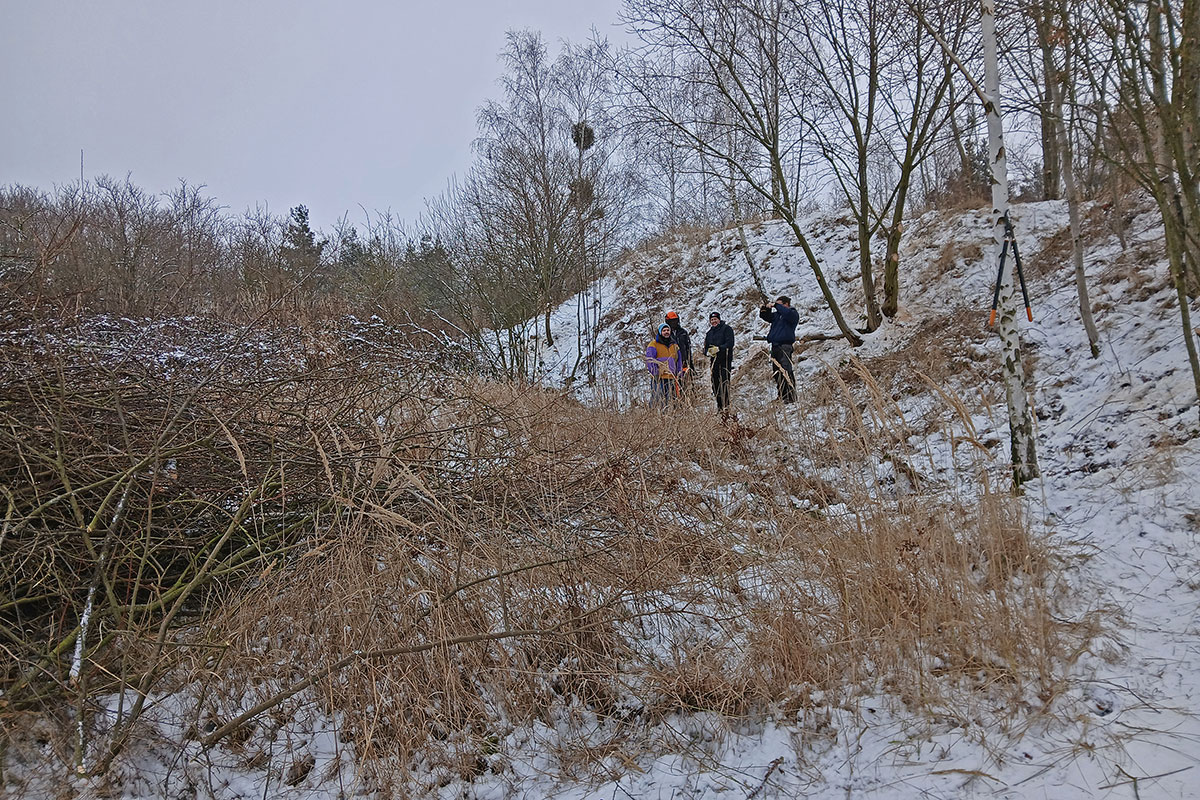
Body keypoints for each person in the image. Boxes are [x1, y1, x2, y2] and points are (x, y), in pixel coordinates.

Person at [759, 295, 799, 403]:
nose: (777, 306)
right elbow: (765, 317)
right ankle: (782, 395)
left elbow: (787, 314)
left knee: (786, 370)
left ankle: (790, 396)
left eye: (780, 304)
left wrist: (776, 305)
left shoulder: (792, 313)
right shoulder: (777, 315)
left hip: (785, 346)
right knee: (777, 373)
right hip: (775, 346)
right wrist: (765, 308)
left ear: (786, 304)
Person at [703, 311, 735, 411]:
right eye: (712, 320)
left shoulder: (727, 329)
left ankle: (726, 405)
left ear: (719, 319)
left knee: (724, 382)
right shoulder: (709, 333)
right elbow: (705, 347)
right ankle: (720, 406)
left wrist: (719, 348)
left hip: (725, 359)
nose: (714, 321)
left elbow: (730, 343)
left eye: (715, 319)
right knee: (715, 383)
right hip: (714, 361)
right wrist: (707, 352)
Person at [645, 322, 681, 409]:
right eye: (664, 330)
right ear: (660, 332)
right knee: (657, 399)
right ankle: (652, 416)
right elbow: (649, 360)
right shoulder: (653, 344)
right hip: (659, 378)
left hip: (671, 377)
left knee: (669, 401)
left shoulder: (674, 345)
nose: (666, 332)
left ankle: (666, 418)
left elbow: (679, 360)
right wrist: (655, 373)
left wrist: (679, 373)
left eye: (668, 330)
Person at [664, 311, 694, 391]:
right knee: (672, 386)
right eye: (671, 321)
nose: (673, 323)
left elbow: (688, 348)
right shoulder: (666, 334)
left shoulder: (683, 332)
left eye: (675, 320)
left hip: (683, 362)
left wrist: (690, 363)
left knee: (684, 385)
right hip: (671, 364)